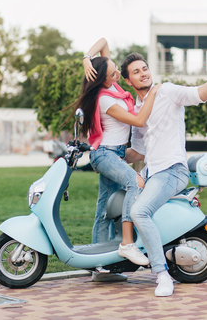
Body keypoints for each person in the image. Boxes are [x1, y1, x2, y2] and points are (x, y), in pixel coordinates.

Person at [122, 52, 207, 296]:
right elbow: (138, 152)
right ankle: (109, 266)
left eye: (145, 68)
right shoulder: (138, 111)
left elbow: (200, 94)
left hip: (172, 170)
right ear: (128, 82)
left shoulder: (167, 92)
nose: (144, 73)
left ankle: (162, 275)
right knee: (116, 201)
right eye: (137, 71)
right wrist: (106, 155)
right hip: (151, 172)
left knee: (139, 211)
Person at [67, 38, 161, 281]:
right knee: (134, 183)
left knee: (104, 207)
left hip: (117, 153)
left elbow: (104, 42)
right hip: (105, 154)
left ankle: (99, 265)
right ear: (103, 80)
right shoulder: (105, 99)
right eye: (113, 72)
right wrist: (156, 91)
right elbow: (139, 120)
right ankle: (127, 244)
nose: (118, 72)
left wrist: (87, 57)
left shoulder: (113, 88)